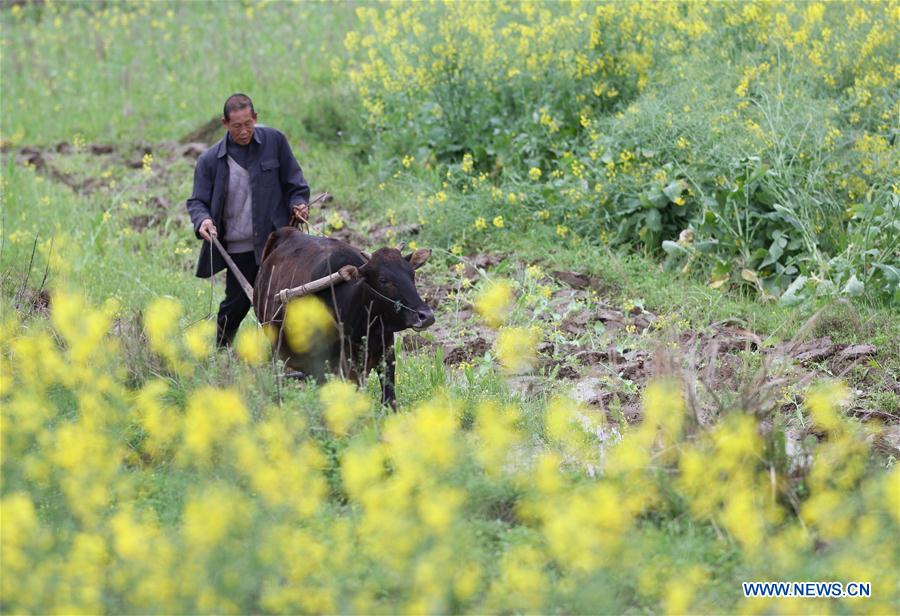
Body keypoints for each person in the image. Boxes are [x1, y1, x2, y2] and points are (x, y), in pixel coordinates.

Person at [186, 93, 310, 347]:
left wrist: (298, 203)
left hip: (276, 243)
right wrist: (203, 221)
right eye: (236, 126)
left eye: (248, 124)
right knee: (237, 302)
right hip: (238, 247)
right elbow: (197, 202)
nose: (244, 131)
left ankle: (292, 358)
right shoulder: (210, 161)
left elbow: (295, 184)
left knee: (285, 300)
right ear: (224, 124)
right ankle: (220, 351)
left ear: (255, 118)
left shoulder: (275, 142)